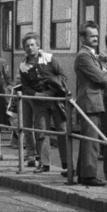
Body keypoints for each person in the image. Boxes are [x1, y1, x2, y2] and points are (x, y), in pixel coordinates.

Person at [15, 33, 67, 171]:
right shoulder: (23, 66)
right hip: (39, 102)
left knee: (63, 130)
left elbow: (62, 75)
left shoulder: (49, 58)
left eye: (32, 45)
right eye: (27, 46)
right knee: (42, 132)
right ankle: (45, 164)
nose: (30, 48)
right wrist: (36, 94)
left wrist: (51, 92)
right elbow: (25, 87)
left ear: (38, 46)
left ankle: (67, 165)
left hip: (56, 100)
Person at [72, 24, 107, 186]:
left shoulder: (90, 55)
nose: (95, 39)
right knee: (91, 140)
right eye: (91, 36)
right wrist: (106, 70)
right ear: (83, 38)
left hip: (92, 100)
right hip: (90, 101)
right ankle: (88, 175)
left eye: (96, 36)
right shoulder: (84, 56)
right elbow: (101, 78)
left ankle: (84, 173)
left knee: (89, 139)